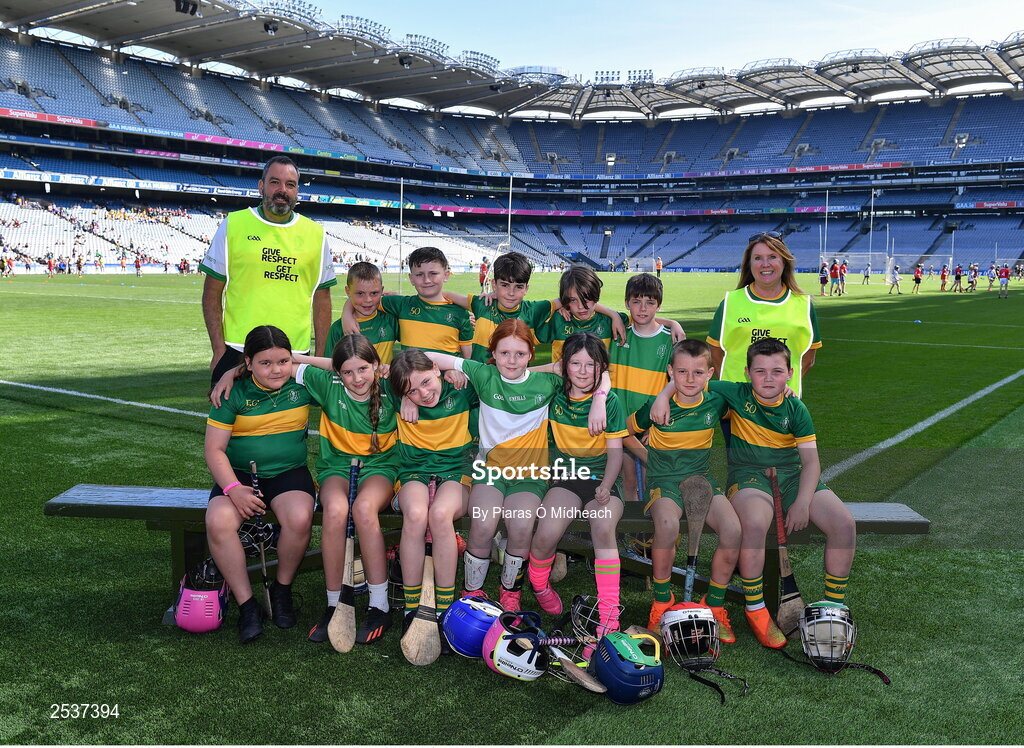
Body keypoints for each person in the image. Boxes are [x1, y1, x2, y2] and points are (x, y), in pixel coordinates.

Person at [423, 319, 609, 611]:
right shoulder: (483, 374)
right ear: (493, 354)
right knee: (483, 523)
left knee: (521, 525)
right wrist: (439, 373)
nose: (511, 360)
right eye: (504, 353)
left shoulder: (548, 383)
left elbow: (601, 373)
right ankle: (472, 592)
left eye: (520, 354)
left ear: (531, 354)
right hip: (490, 471)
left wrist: (599, 399)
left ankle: (510, 592)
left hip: (530, 475)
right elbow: (426, 357)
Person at [711, 338, 855, 649]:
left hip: (792, 476)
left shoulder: (795, 407)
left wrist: (803, 502)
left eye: (777, 372)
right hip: (749, 476)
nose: (768, 379)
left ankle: (832, 611)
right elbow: (690, 380)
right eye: (760, 371)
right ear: (747, 372)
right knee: (754, 522)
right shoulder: (734, 393)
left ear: (790, 373)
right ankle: (756, 609)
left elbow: (811, 463)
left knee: (844, 524)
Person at [204, 325, 315, 643]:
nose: (276, 370)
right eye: (265, 363)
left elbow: (341, 368)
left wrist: (300, 362)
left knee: (299, 518)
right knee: (218, 521)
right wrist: (233, 490)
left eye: (283, 361)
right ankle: (247, 605)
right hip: (239, 475)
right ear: (249, 363)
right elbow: (213, 450)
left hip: (288, 473)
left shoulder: (302, 383)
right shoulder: (232, 392)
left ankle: (282, 590)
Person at [636, 339, 741, 643]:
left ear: (710, 373)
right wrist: (649, 456)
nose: (690, 379)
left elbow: (756, 394)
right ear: (671, 371)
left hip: (701, 479)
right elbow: (624, 432)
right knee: (667, 525)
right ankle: (661, 602)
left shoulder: (716, 401)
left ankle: (715, 605)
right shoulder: (656, 406)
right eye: (682, 372)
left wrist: (787, 392)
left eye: (698, 372)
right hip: (664, 480)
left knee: (733, 530)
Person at [528, 332, 627, 654]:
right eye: (575, 363)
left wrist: (607, 486)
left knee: (603, 527)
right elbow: (518, 373)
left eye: (591, 364)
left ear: (602, 367)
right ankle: (539, 585)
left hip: (602, 479)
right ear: (564, 365)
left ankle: (609, 618)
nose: (583, 371)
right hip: (566, 479)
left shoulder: (611, 401)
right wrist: (555, 368)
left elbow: (616, 453)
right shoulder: (555, 392)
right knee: (546, 533)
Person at [200, 156, 337, 385]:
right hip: (238, 350)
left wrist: (319, 357)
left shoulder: (316, 234)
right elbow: (212, 292)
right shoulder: (234, 224)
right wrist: (218, 349)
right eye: (275, 182)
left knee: (293, 412)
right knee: (229, 410)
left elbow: (322, 300)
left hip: (294, 353)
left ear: (297, 191)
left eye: (290, 184)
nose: (282, 190)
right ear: (261, 186)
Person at [386, 348, 477, 641]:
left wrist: (455, 369)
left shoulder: (461, 388)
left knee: (439, 515)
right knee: (415, 514)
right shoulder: (398, 394)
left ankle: (444, 610)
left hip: (456, 471)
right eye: (412, 391)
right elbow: (356, 367)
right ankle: (412, 608)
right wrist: (402, 395)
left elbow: (502, 375)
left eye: (426, 382)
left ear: (436, 369)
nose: (423, 394)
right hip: (414, 470)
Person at [706, 231, 822, 399]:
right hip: (737, 405)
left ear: (784, 261)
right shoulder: (730, 302)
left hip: (783, 404)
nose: (765, 264)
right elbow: (715, 353)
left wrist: (776, 387)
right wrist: (733, 392)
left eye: (772, 257)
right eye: (758, 258)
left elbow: (808, 358)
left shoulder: (803, 304)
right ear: (749, 264)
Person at [346, 246, 472, 358]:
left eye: (433, 273)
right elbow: (365, 300)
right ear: (411, 278)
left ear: (446, 275)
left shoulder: (460, 313)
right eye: (419, 275)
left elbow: (468, 359)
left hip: (447, 377)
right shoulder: (401, 304)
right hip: (410, 376)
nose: (427, 280)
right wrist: (347, 315)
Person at [326, 261, 398, 364]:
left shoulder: (390, 320)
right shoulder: (338, 328)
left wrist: (400, 301)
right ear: (348, 291)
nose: (368, 300)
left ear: (382, 290)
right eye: (360, 293)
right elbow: (330, 365)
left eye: (374, 293)